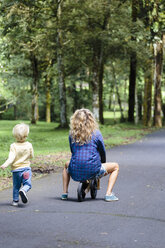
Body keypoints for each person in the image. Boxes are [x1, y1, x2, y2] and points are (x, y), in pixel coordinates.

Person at [62, 109, 119, 202]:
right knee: (116, 167)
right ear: (91, 120)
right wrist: (103, 162)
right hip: (93, 169)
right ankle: (108, 194)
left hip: (75, 169)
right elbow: (102, 151)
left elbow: (73, 151)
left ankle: (64, 193)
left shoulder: (72, 134)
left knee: (66, 165)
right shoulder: (96, 133)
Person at [0, 123, 34, 207]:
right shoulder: (29, 145)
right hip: (26, 170)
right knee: (27, 184)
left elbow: (11, 158)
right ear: (27, 134)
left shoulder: (13, 146)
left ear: (15, 136)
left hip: (16, 171)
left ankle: (15, 201)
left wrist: (5, 164)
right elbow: (32, 156)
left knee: (16, 186)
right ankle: (23, 190)